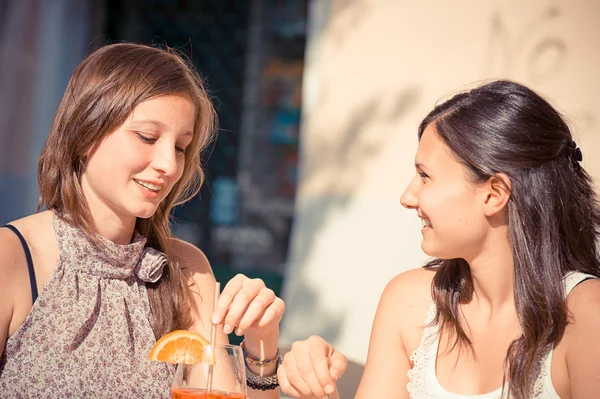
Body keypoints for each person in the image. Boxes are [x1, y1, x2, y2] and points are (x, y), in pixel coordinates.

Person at [0, 42, 344, 399]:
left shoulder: (187, 270)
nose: (169, 164)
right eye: (148, 137)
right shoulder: (12, 257)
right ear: (86, 132)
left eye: (181, 147)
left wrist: (262, 340)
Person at [286, 80, 600, 398]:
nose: (407, 197)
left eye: (425, 176)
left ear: (494, 194)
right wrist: (315, 389)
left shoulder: (588, 315)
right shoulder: (409, 302)